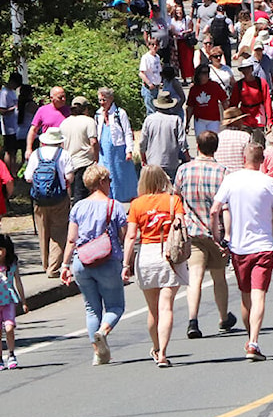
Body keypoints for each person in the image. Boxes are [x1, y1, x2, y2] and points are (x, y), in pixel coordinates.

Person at [210, 144, 273, 361]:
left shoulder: (231, 180)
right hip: (262, 245)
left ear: (243, 157)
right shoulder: (268, 182)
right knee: (259, 294)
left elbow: (215, 209)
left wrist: (217, 237)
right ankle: (253, 341)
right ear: (262, 159)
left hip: (239, 247)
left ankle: (250, 339)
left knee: (246, 296)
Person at [59, 164, 128, 365]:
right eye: (109, 180)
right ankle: (103, 331)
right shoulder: (114, 206)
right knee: (115, 306)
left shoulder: (78, 206)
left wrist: (65, 265)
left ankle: (98, 354)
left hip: (81, 261)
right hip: (107, 260)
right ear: (102, 182)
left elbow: (71, 240)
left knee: (91, 309)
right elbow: (123, 236)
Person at [123, 166, 188, 367]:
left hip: (146, 255)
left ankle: (156, 346)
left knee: (153, 310)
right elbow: (181, 225)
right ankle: (163, 354)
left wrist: (126, 264)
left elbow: (131, 236)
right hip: (168, 253)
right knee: (166, 306)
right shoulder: (173, 200)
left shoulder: (136, 204)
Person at [174, 131, 237, 340]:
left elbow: (176, 198)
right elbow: (226, 207)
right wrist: (227, 235)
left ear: (197, 147)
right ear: (215, 148)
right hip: (215, 232)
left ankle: (193, 319)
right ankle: (222, 317)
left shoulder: (184, 170)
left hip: (193, 231)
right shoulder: (223, 172)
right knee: (219, 276)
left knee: (195, 276)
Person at [25, 127, 74, 278]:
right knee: (58, 233)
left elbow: (28, 177)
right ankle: (53, 268)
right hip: (59, 198)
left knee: (43, 232)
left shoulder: (36, 154)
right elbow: (70, 177)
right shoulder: (64, 154)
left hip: (39, 200)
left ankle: (45, 263)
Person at [95, 88, 137, 201]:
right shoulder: (98, 114)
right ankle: (108, 198)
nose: (102, 103)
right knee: (105, 174)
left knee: (121, 174)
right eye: (100, 100)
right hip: (104, 151)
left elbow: (127, 132)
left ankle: (124, 198)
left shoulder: (120, 113)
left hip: (118, 150)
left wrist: (129, 150)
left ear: (111, 99)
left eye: (104, 100)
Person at [140, 91, 189, 182]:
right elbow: (182, 143)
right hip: (171, 162)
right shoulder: (176, 120)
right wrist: (188, 158)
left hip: (153, 162)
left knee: (155, 190)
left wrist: (143, 158)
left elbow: (142, 142)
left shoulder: (149, 120)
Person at [60, 96, 99, 204]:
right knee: (82, 194)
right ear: (85, 108)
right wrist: (96, 158)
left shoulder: (64, 123)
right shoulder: (89, 121)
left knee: (70, 193)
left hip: (69, 162)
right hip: (85, 162)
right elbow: (93, 142)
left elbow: (61, 144)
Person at [0, 233, 27, 370]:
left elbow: (18, 283)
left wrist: (23, 301)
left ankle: (11, 354)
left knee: (9, 327)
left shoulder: (12, 265)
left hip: (9, 300)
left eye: (1, 249)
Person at [25, 86, 69, 159]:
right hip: (47, 148)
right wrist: (29, 148)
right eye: (60, 97)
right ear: (52, 98)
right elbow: (33, 130)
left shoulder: (69, 111)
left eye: (64, 97)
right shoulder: (43, 110)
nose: (63, 99)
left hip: (64, 149)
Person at [186, 64, 228, 136]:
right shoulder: (194, 89)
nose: (206, 75)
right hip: (200, 120)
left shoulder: (215, 86)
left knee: (213, 141)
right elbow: (190, 107)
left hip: (214, 120)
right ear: (198, 75)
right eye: (203, 73)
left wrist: (227, 117)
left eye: (207, 72)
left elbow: (224, 101)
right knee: (201, 142)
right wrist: (187, 122)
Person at [232, 59, 273, 130]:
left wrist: (270, 119)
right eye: (243, 69)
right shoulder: (239, 85)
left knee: (259, 139)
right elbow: (234, 102)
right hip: (244, 116)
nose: (246, 71)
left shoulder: (261, 82)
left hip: (259, 114)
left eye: (248, 68)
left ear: (252, 69)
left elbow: (267, 101)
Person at [214, 107, 252, 173]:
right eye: (241, 119)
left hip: (221, 174)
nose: (242, 122)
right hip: (240, 173)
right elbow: (249, 158)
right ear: (236, 121)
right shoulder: (245, 137)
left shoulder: (218, 137)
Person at [0, 72, 22, 174]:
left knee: (14, 151)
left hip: (15, 126)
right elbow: (2, 110)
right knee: (9, 151)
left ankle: (13, 171)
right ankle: (8, 172)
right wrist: (13, 108)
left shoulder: (12, 92)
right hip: (8, 127)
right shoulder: (4, 93)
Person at [139, 37, 163, 116]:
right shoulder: (146, 57)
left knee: (157, 109)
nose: (155, 47)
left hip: (157, 86)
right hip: (149, 88)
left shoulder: (157, 57)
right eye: (152, 45)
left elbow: (158, 71)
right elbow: (141, 73)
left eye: (156, 45)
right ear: (149, 46)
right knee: (151, 110)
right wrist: (149, 84)